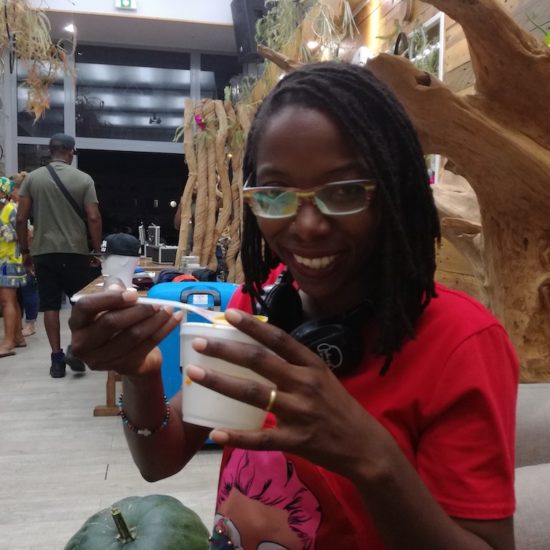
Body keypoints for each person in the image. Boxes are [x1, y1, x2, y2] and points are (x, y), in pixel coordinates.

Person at [69, 63, 518, 548]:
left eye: (344, 192)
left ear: (395, 192)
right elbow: (161, 459)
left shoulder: (460, 344)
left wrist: (373, 460)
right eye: (276, 194)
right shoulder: (262, 305)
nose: (306, 226)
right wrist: (140, 373)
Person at [16, 133, 103, 378]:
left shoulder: (33, 179)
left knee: (50, 306)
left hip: (44, 252)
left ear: (51, 150)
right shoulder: (84, 179)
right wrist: (96, 250)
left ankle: (56, 360)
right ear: (70, 152)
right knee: (80, 305)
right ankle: (76, 348)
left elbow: (21, 218)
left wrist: (25, 251)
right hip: (75, 252)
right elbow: (93, 217)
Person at [10, 171, 39, 337]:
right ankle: (19, 324)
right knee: (18, 291)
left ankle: (30, 323)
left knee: (28, 288)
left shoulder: (24, 207)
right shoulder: (15, 206)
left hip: (25, 253)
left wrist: (27, 254)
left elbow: (28, 234)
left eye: (11, 190)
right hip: (14, 254)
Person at [0, 176, 26, 357]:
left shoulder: (10, 210)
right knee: (11, 300)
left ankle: (8, 343)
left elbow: (25, 232)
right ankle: (17, 337)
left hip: (9, 260)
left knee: (6, 300)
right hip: (4, 260)